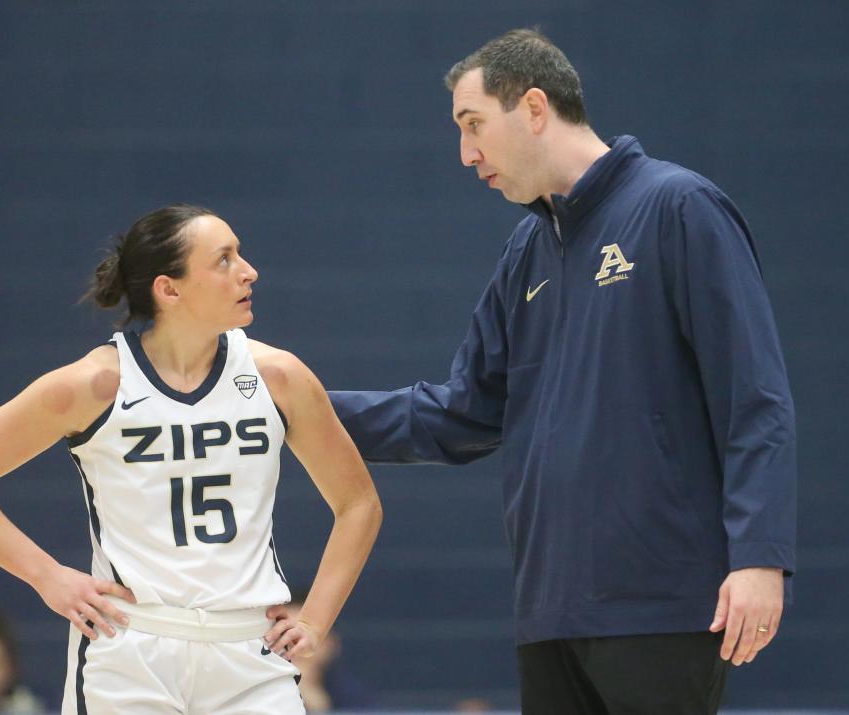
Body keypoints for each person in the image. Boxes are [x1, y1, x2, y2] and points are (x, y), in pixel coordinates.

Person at [328, 28, 795, 715]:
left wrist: (760, 555)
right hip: (550, 612)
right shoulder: (527, 249)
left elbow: (755, 398)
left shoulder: (678, 207)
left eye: (474, 125)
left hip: (660, 606)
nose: (466, 154)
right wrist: (296, 408)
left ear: (536, 107)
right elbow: (462, 412)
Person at [0, 204, 383, 714]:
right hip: (131, 646)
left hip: (251, 649)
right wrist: (46, 575)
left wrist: (316, 619)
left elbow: (358, 503)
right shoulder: (96, 384)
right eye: (224, 260)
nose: (249, 270)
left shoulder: (281, 377)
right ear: (170, 289)